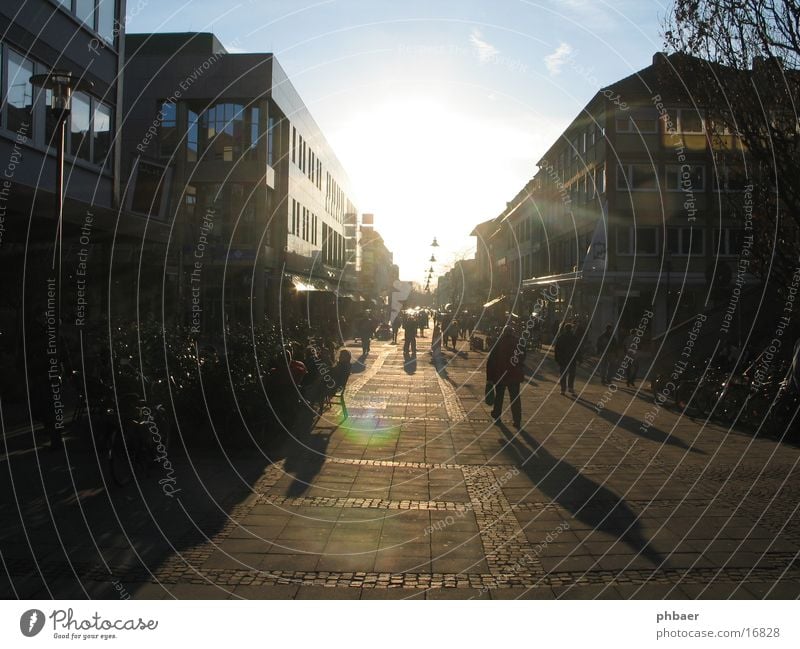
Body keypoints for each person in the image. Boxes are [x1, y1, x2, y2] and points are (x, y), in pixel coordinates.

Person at [486, 326, 525, 428]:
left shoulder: (498, 343)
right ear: (513, 332)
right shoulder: (518, 343)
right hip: (514, 375)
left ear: (503, 332)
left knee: (499, 396)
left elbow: (491, 360)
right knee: (515, 398)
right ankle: (517, 420)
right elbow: (522, 357)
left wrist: (489, 377)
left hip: (501, 374)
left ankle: (497, 415)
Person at [554, 323, 581, 396]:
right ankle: (570, 387)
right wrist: (579, 358)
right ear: (571, 329)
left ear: (565, 329)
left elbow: (557, 349)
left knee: (563, 374)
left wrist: (557, 358)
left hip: (563, 359)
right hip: (572, 358)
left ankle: (563, 389)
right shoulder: (574, 337)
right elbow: (577, 349)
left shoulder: (561, 337)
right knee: (572, 374)